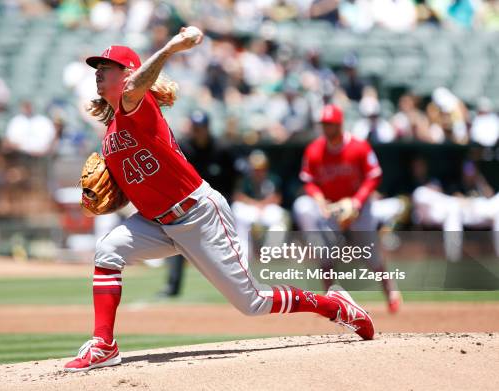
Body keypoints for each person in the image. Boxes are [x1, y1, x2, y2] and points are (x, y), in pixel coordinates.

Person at [64, 28, 375, 373]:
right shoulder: (109, 135)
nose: (98, 72)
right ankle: (104, 345)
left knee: (252, 302)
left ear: (127, 74)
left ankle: (333, 305)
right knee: (108, 251)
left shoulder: (135, 105)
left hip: (197, 215)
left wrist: (170, 48)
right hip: (156, 222)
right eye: (96, 68)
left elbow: (138, 86)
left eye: (106, 66)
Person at [293, 104, 401, 313]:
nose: (326, 128)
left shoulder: (359, 147)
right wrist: (318, 199)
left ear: (339, 125)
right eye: (324, 124)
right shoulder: (314, 149)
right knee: (323, 251)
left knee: (370, 254)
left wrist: (357, 202)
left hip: (359, 207)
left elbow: (374, 176)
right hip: (332, 208)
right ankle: (330, 301)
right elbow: (308, 180)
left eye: (330, 124)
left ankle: (391, 292)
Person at [159, 110, 238, 297]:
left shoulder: (222, 148)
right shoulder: (184, 147)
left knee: (225, 246)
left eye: (201, 128)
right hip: (190, 205)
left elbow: (236, 176)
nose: (198, 132)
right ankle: (172, 287)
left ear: (207, 128)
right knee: (177, 240)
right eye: (195, 128)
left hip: (218, 204)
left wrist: (230, 200)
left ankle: (235, 286)